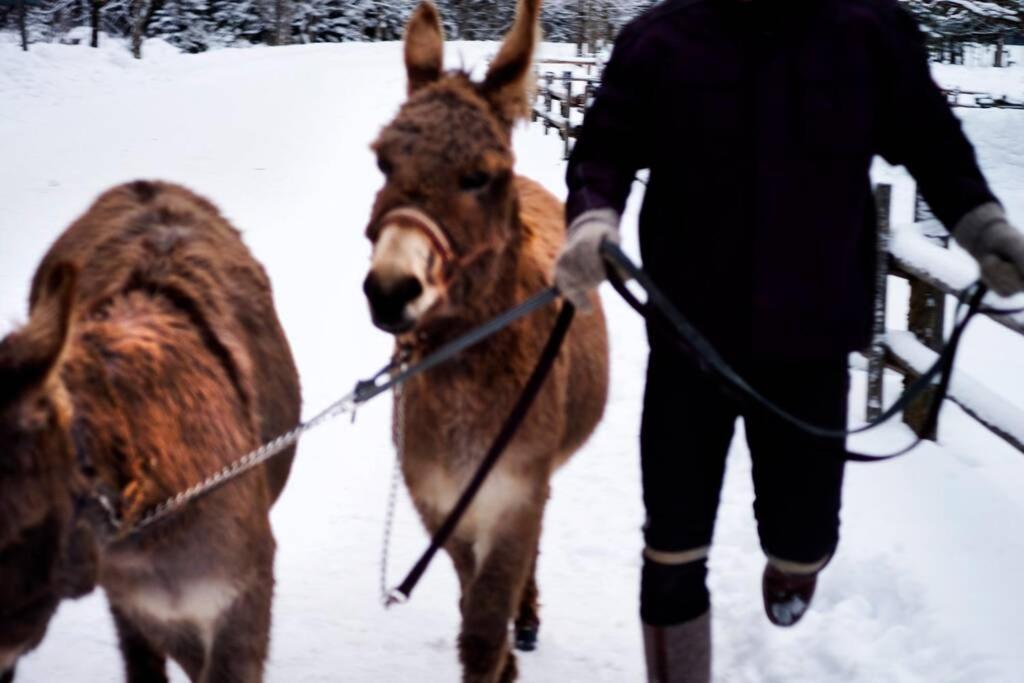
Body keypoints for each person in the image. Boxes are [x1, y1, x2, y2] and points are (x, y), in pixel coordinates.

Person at [553, 0, 1024, 681]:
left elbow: (931, 139)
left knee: (804, 539)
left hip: (813, 338)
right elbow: (605, 147)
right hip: (690, 338)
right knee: (672, 546)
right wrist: (593, 220)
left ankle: (795, 561)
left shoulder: (869, 30)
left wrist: (981, 225)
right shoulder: (659, 39)